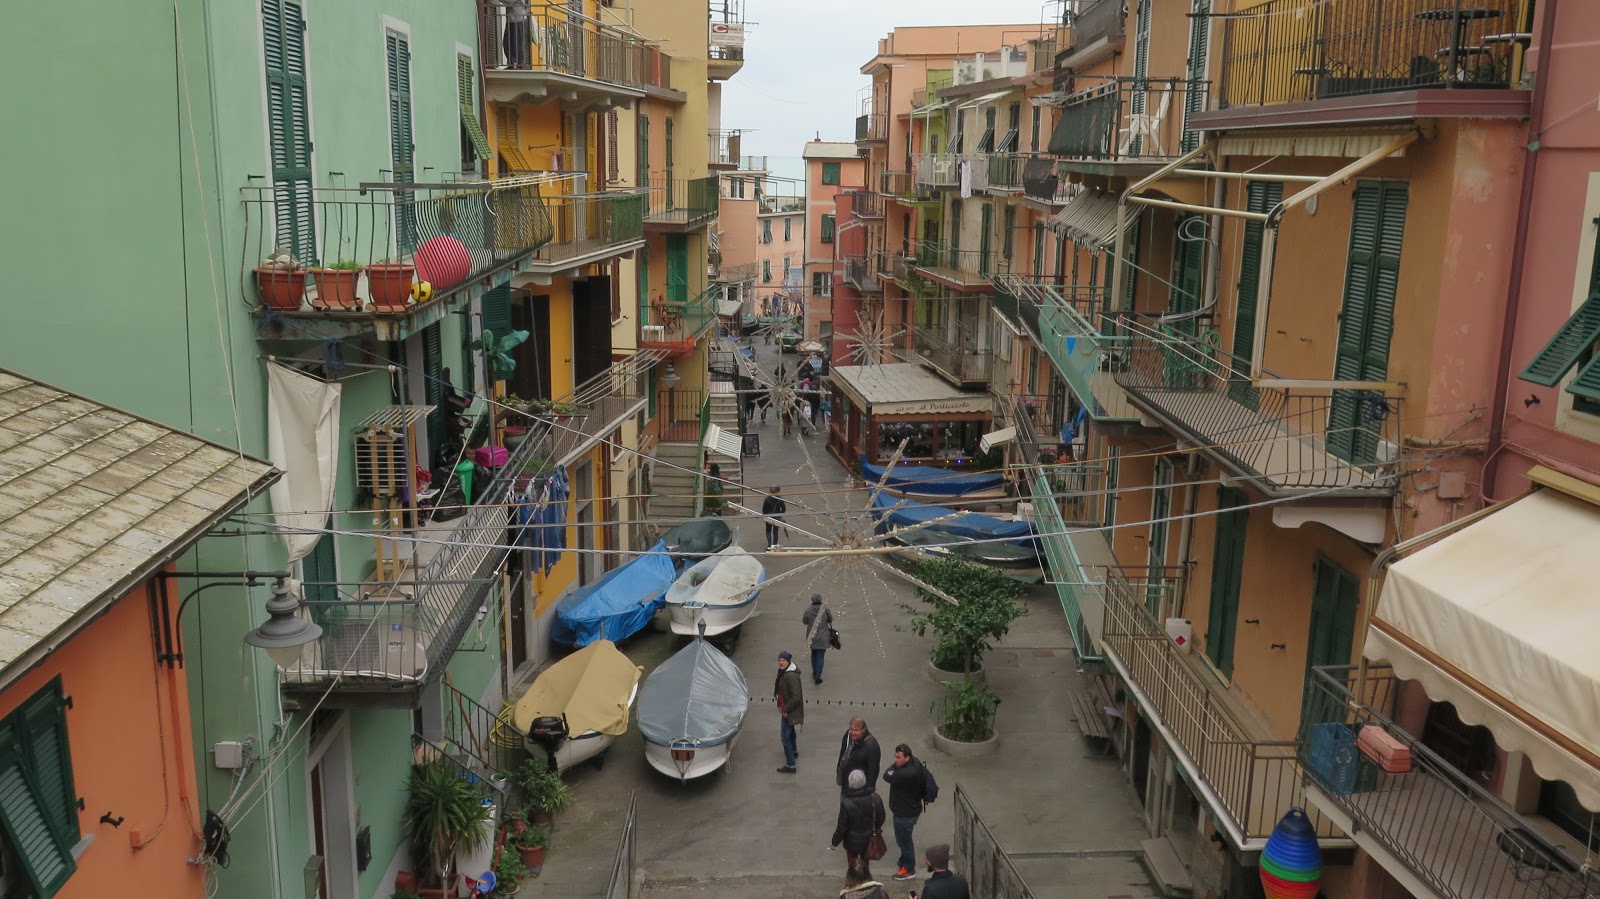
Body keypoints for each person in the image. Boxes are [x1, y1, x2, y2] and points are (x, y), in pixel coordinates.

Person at [881, 744, 927, 881]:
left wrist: (895, 768)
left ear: (907, 758)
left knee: (904, 841)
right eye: (895, 757)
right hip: (910, 809)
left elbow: (886, 775)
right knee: (904, 839)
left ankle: (909, 869)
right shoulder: (915, 762)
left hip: (905, 813)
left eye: (898, 757)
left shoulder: (904, 774)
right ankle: (904, 860)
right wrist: (897, 766)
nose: (895, 760)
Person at [830, 770, 886, 880]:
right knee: (865, 862)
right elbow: (881, 818)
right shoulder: (875, 798)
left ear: (850, 783)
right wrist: (874, 827)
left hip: (851, 841)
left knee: (852, 863)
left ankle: (853, 881)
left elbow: (842, 826)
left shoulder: (846, 802)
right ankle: (865, 879)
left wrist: (834, 842)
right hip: (869, 838)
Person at [774, 651, 803, 774]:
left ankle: (791, 765)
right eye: (780, 660)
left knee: (784, 737)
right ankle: (794, 751)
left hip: (789, 710)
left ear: (788, 662)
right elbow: (781, 691)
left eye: (784, 660)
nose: (781, 662)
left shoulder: (790, 676)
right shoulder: (783, 672)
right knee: (790, 732)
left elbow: (796, 697)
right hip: (787, 708)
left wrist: (785, 709)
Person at [835, 717, 881, 791]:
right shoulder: (848, 735)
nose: (853, 733)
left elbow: (873, 771)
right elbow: (843, 752)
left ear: (863, 730)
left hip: (860, 789)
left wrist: (868, 791)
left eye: (856, 730)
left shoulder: (871, 746)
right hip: (846, 784)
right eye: (851, 729)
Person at [802, 594, 833, 684]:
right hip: (823, 637)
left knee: (813, 654)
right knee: (820, 656)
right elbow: (830, 620)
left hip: (812, 636)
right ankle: (818, 677)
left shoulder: (808, 610)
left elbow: (804, 622)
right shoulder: (825, 609)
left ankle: (814, 672)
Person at [491, 0, 530, 68]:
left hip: (518, 19)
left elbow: (510, 1)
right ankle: (511, 64)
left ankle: (520, 65)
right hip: (511, 20)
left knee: (517, 43)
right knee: (506, 43)